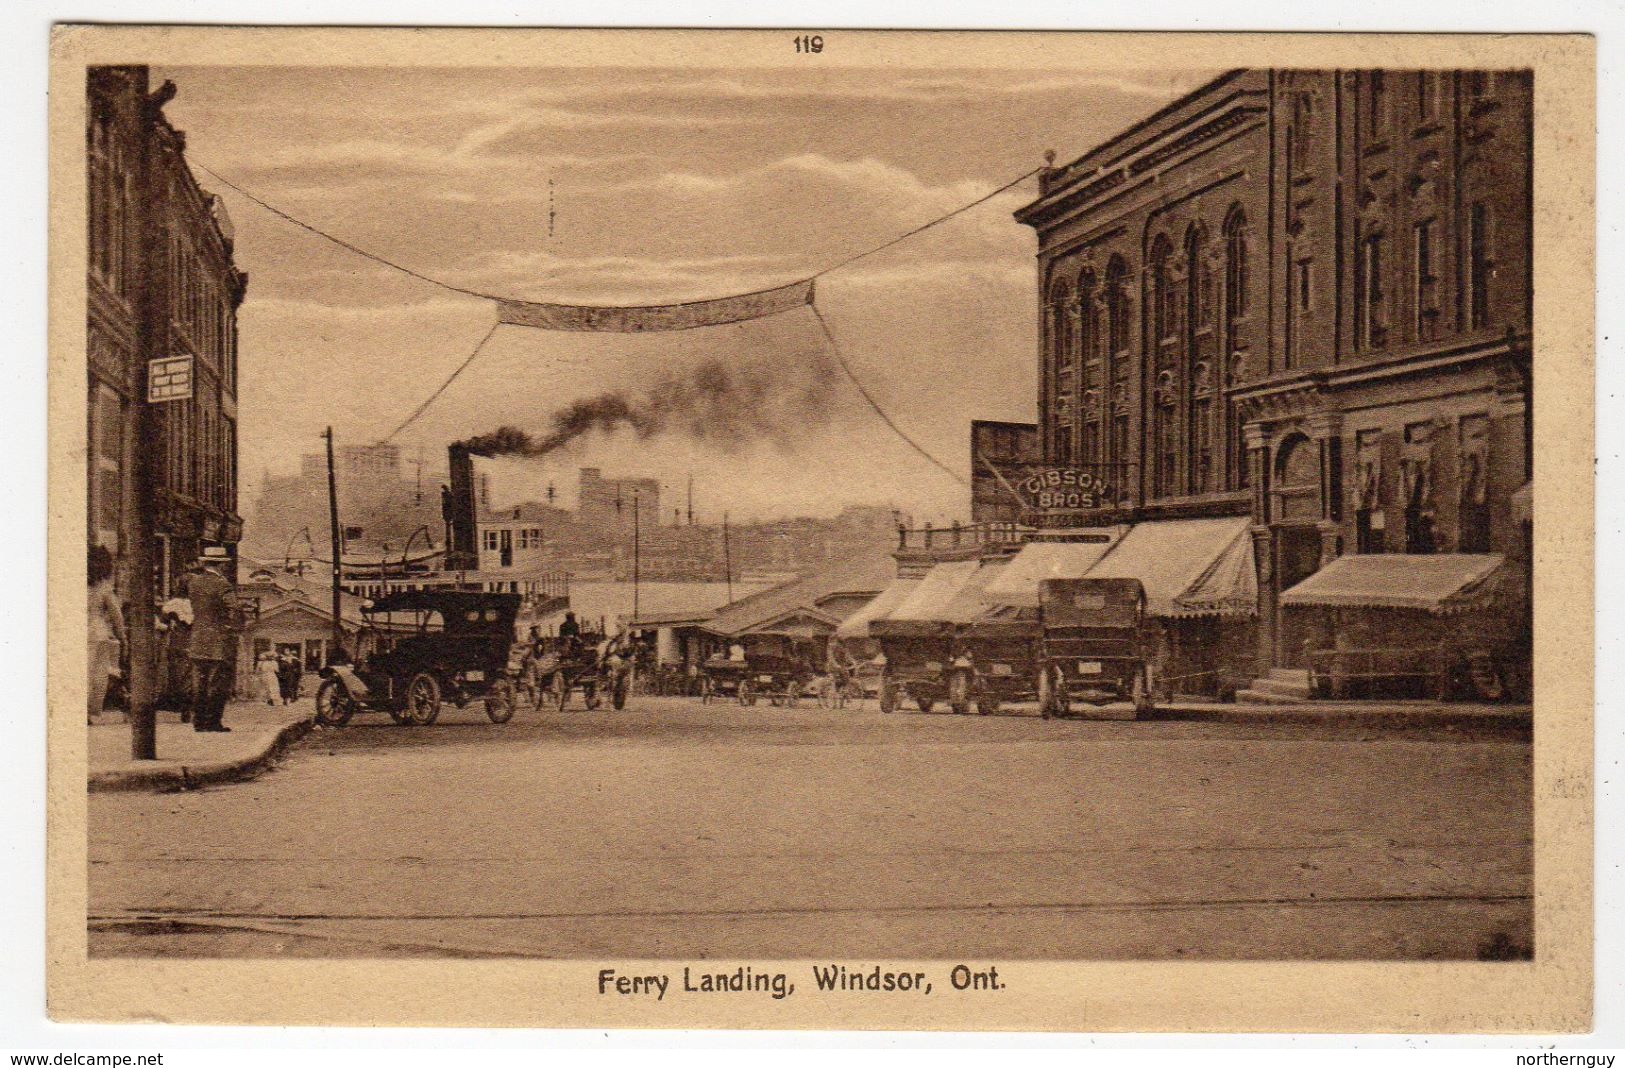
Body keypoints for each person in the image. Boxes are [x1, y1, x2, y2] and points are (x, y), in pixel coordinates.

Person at [182, 546, 241, 733]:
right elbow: (233, 608)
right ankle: (213, 722)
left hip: (198, 637)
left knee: (199, 681)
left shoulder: (194, 584)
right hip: (218, 638)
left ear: (205, 563)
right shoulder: (223, 585)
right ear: (221, 565)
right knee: (217, 682)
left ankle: (198, 722)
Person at [87, 545, 125, 723]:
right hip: (98, 633)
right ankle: (89, 711)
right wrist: (122, 637)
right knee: (97, 674)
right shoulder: (104, 587)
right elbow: (117, 616)